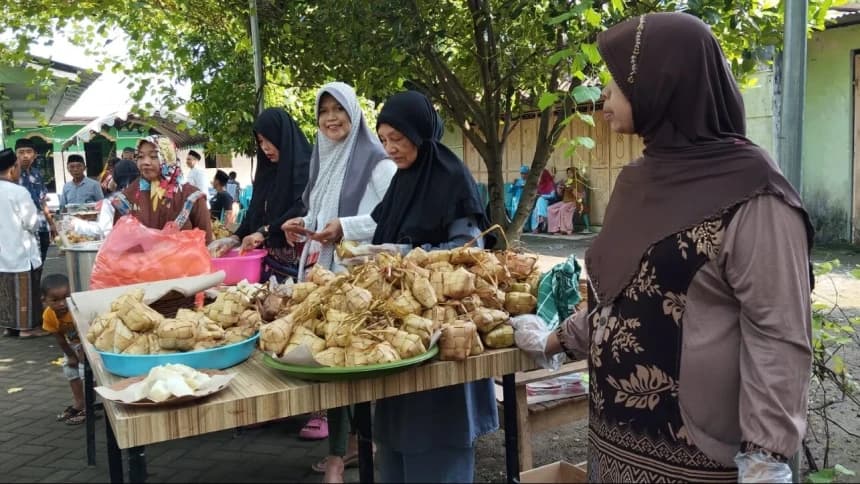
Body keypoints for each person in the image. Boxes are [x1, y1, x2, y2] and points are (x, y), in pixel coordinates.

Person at [511, 12, 814, 483]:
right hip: (613, 443)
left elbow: (778, 332)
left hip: (698, 457)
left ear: (663, 83)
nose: (604, 95)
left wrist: (767, 456)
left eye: (615, 82)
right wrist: (551, 341)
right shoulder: (637, 181)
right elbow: (624, 294)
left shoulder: (753, 191)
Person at [370, 91, 497, 483]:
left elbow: (468, 250)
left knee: (437, 445)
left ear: (421, 134)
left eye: (398, 139)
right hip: (405, 332)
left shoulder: (451, 179)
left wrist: (407, 252)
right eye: (384, 139)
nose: (390, 148)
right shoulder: (404, 181)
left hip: (444, 335)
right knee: (396, 451)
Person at [281, 82, 396, 483]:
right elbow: (319, 212)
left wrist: (344, 227)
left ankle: (346, 452)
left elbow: (392, 217)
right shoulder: (323, 158)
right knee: (331, 362)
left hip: (358, 280)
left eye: (339, 109)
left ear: (354, 113)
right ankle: (349, 447)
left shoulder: (378, 163)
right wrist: (303, 225)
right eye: (324, 111)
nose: (331, 118)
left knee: (349, 363)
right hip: (322, 276)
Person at [208, 108, 311, 280]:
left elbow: (301, 207)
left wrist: (263, 232)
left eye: (269, 140)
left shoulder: (305, 167)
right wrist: (235, 238)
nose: (265, 148)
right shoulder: (266, 171)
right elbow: (255, 211)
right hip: (259, 266)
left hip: (294, 269)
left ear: (282, 136)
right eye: (261, 141)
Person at [113, 136, 213, 243]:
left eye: (153, 156)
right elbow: (118, 241)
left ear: (169, 158)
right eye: (141, 156)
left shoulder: (190, 196)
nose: (145, 162)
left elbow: (206, 243)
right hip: (140, 260)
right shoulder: (128, 196)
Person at [0, 148, 44, 338]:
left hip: (2, 252)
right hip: (20, 251)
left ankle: (10, 327)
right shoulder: (18, 191)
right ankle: (26, 329)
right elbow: (31, 222)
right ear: (12, 168)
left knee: (5, 291)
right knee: (24, 290)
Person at [40, 274, 87, 425]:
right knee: (70, 371)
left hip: (88, 343)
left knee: (87, 374)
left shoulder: (77, 309)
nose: (62, 304)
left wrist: (83, 352)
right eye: (55, 300)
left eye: (65, 298)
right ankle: (79, 403)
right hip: (71, 344)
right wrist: (71, 355)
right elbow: (59, 337)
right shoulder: (48, 315)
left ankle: (89, 407)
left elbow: (89, 331)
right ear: (44, 301)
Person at [15, 137, 55, 264]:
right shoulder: (11, 175)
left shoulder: (37, 174)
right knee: (26, 264)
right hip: (22, 229)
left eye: (28, 152)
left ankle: (37, 284)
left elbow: (43, 201)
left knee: (41, 261)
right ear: (16, 154)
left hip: (42, 226)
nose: (25, 156)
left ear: (35, 154)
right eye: (21, 152)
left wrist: (52, 224)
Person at [96, 159, 140, 235]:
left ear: (115, 176)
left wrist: (78, 225)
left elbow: (106, 230)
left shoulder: (110, 202)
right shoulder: (148, 196)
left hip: (119, 242)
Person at [547, 167, 578, 235]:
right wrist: (560, 188)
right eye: (568, 173)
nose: (569, 174)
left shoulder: (577, 182)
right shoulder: (566, 181)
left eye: (571, 173)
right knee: (550, 208)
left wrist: (572, 189)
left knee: (562, 209)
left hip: (572, 202)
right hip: (564, 201)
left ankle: (563, 230)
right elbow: (560, 194)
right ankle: (553, 229)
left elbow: (579, 195)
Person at [529, 168, 557, 233]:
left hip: (549, 201)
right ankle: (540, 221)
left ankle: (540, 222)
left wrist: (542, 196)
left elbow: (553, 196)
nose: (540, 177)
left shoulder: (550, 183)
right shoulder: (540, 184)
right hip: (541, 204)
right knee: (535, 210)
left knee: (540, 200)